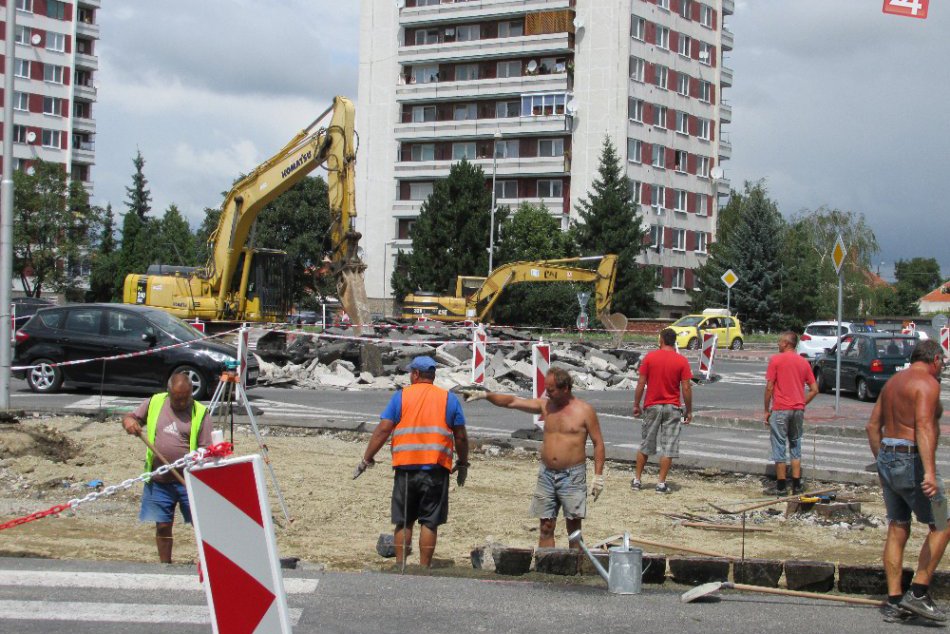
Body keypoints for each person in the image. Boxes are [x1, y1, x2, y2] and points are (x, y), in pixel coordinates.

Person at [461, 367, 605, 549]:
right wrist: (485, 395)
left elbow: (598, 443)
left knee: (574, 529)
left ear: (565, 389)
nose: (547, 393)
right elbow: (512, 401)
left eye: (551, 390)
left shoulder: (584, 411)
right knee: (546, 526)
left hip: (572, 476)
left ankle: (575, 564)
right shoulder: (546, 406)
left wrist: (598, 476)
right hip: (547, 475)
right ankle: (546, 564)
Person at [354, 356, 469, 567]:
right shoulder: (448, 399)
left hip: (405, 467)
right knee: (430, 521)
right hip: (436, 467)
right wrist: (463, 463)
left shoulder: (401, 397)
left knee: (404, 520)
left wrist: (366, 459)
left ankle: (400, 565)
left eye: (410, 373)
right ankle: (424, 568)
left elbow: (383, 430)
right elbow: (460, 436)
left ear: (416, 374)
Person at [866, 339, 948, 623]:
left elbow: (872, 426)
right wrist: (930, 473)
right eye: (943, 363)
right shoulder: (927, 383)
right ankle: (918, 593)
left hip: (888, 456)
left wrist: (882, 462)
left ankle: (893, 601)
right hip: (912, 460)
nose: (943, 367)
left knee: (898, 526)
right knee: (943, 523)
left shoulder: (893, 383)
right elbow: (924, 426)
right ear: (935, 360)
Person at [121, 373, 211, 563]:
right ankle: (165, 566)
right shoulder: (155, 402)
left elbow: (206, 449)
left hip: (188, 481)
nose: (181, 403)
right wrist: (129, 422)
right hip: (159, 480)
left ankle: (209, 563)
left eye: (186, 398)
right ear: (169, 393)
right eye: (177, 399)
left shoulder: (200, 412)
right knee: (162, 526)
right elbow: (131, 417)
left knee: (202, 525)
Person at [631, 328, 692, 494]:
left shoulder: (650, 358)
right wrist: (689, 410)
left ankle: (637, 480)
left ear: (662, 340)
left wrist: (636, 404)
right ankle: (661, 483)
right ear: (674, 341)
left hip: (652, 405)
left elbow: (641, 383)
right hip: (672, 407)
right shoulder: (681, 361)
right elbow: (686, 387)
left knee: (646, 442)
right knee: (669, 446)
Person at [763, 331, 817, 495]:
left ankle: (781, 487)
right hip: (797, 410)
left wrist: (766, 410)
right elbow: (814, 389)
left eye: (780, 341)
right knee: (795, 443)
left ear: (786, 343)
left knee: (779, 444)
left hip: (780, 409)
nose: (778, 344)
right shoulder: (803, 362)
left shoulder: (776, 360)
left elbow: (770, 387)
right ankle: (796, 485)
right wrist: (801, 403)